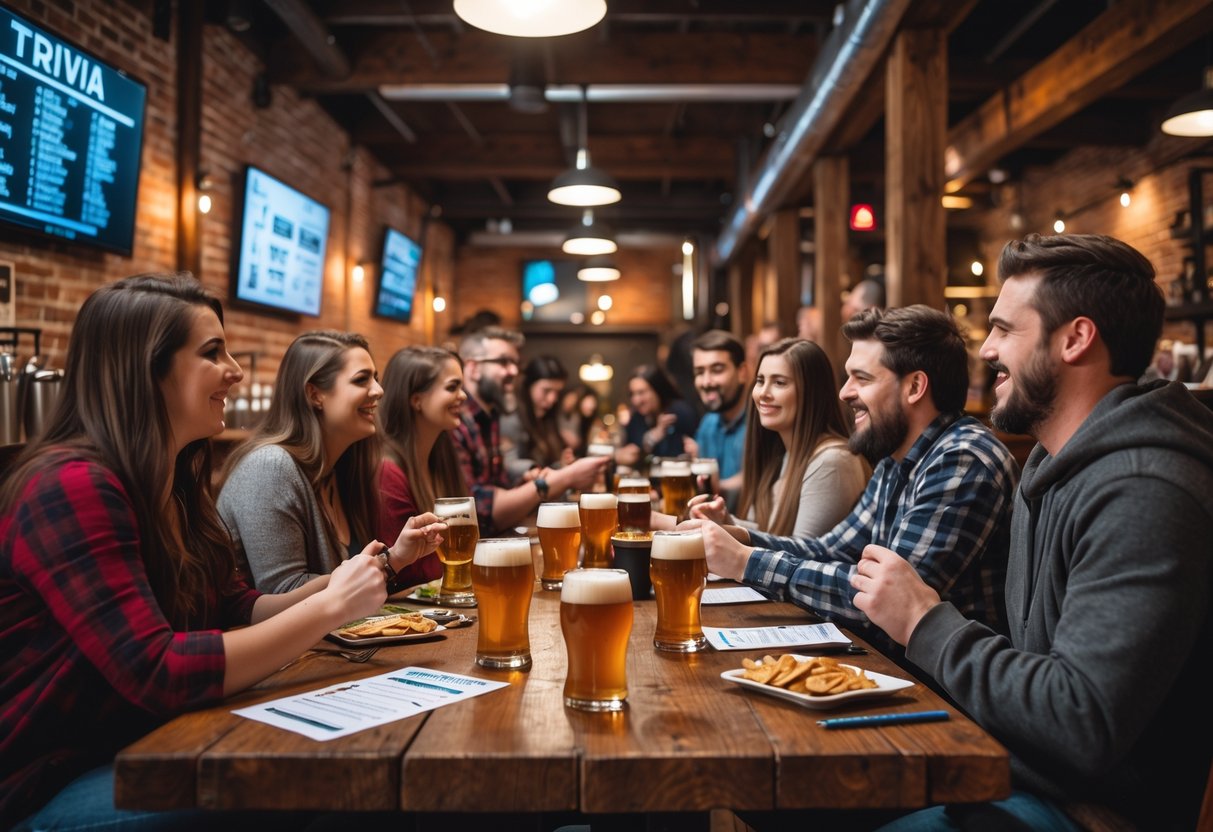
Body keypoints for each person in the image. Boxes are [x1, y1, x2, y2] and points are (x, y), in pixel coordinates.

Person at [0, 275, 430, 829]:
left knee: (360, 758)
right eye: (212, 353)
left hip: (153, 740)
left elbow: (239, 607)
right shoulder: (70, 485)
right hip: (49, 784)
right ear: (146, 370)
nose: (237, 370)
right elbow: (158, 672)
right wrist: (329, 609)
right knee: (323, 785)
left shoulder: (175, 478)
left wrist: (352, 581)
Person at [852, 234, 1213, 831]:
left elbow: (1081, 719)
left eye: (1004, 329)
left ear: (1075, 338)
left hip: (1094, 813)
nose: (986, 348)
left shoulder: (1145, 488)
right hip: (1013, 773)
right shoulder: (1046, 469)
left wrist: (925, 621)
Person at [694, 306, 1017, 658]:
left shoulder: (961, 460)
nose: (845, 393)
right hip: (895, 672)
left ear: (914, 386)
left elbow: (881, 604)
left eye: (861, 378)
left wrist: (745, 561)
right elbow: (832, 549)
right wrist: (740, 539)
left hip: (942, 695)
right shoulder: (897, 460)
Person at [219, 331, 441, 593]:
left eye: (376, 379)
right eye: (361, 380)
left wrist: (397, 559)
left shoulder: (343, 470)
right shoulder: (270, 466)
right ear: (315, 394)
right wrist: (388, 562)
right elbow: (283, 592)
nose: (379, 391)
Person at [689, 338, 867, 538]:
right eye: (760, 381)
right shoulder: (782, 453)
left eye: (779, 383)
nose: (763, 394)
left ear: (811, 392)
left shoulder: (832, 460)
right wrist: (726, 522)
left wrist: (729, 531)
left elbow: (799, 556)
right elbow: (772, 534)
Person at [454, 327, 606, 536]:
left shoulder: (490, 417)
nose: (514, 371)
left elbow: (500, 485)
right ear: (473, 368)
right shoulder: (457, 421)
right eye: (503, 362)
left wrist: (535, 472)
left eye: (515, 363)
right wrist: (561, 477)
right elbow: (479, 512)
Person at [377, 346, 468, 587]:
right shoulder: (388, 473)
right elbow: (410, 574)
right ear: (416, 400)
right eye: (452, 387)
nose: (463, 396)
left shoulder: (441, 458)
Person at [683, 330, 749, 505]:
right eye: (699, 372)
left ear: (742, 372)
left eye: (717, 370)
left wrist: (717, 487)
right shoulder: (708, 424)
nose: (706, 382)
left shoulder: (763, 420)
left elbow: (760, 478)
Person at [500, 355, 573, 477]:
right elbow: (508, 465)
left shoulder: (545, 417)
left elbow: (546, 464)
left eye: (557, 392)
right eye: (546, 390)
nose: (552, 399)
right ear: (528, 386)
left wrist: (561, 465)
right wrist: (534, 469)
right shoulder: (511, 418)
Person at [617, 363, 699, 466]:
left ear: (658, 390)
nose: (636, 400)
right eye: (632, 394)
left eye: (641, 392)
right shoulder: (636, 417)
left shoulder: (679, 413)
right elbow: (632, 450)